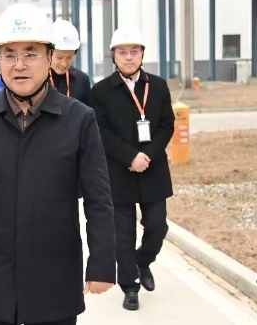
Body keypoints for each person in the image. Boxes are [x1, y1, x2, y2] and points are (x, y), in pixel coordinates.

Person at [0, 3, 116, 325]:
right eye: (9, 54)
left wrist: (102, 264)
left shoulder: (79, 119)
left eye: (31, 53)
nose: (19, 65)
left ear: (50, 57)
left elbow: (99, 199)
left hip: (54, 275)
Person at [90, 28, 175, 312]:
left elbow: (167, 124)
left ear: (142, 54)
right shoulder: (101, 91)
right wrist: (130, 156)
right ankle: (130, 287)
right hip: (119, 170)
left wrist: (147, 155)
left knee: (158, 226)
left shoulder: (158, 86)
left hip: (153, 168)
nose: (129, 57)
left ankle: (143, 261)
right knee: (123, 235)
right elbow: (101, 130)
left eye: (134, 51)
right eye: (122, 52)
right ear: (113, 56)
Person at [50, 20, 93, 108]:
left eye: (69, 57)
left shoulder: (82, 80)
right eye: (59, 57)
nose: (64, 64)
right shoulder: (36, 79)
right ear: (48, 52)